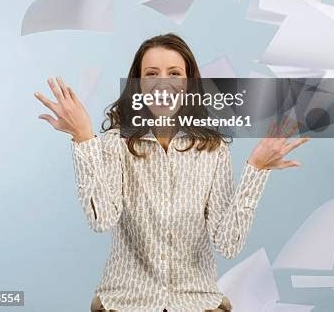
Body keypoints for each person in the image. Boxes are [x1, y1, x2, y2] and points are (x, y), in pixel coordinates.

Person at [34, 33, 310, 312]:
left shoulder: (213, 149)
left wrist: (256, 169)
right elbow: (101, 220)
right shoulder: (115, 143)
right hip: (126, 302)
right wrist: (83, 137)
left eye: (174, 73)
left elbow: (227, 244)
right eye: (151, 74)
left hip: (196, 302)